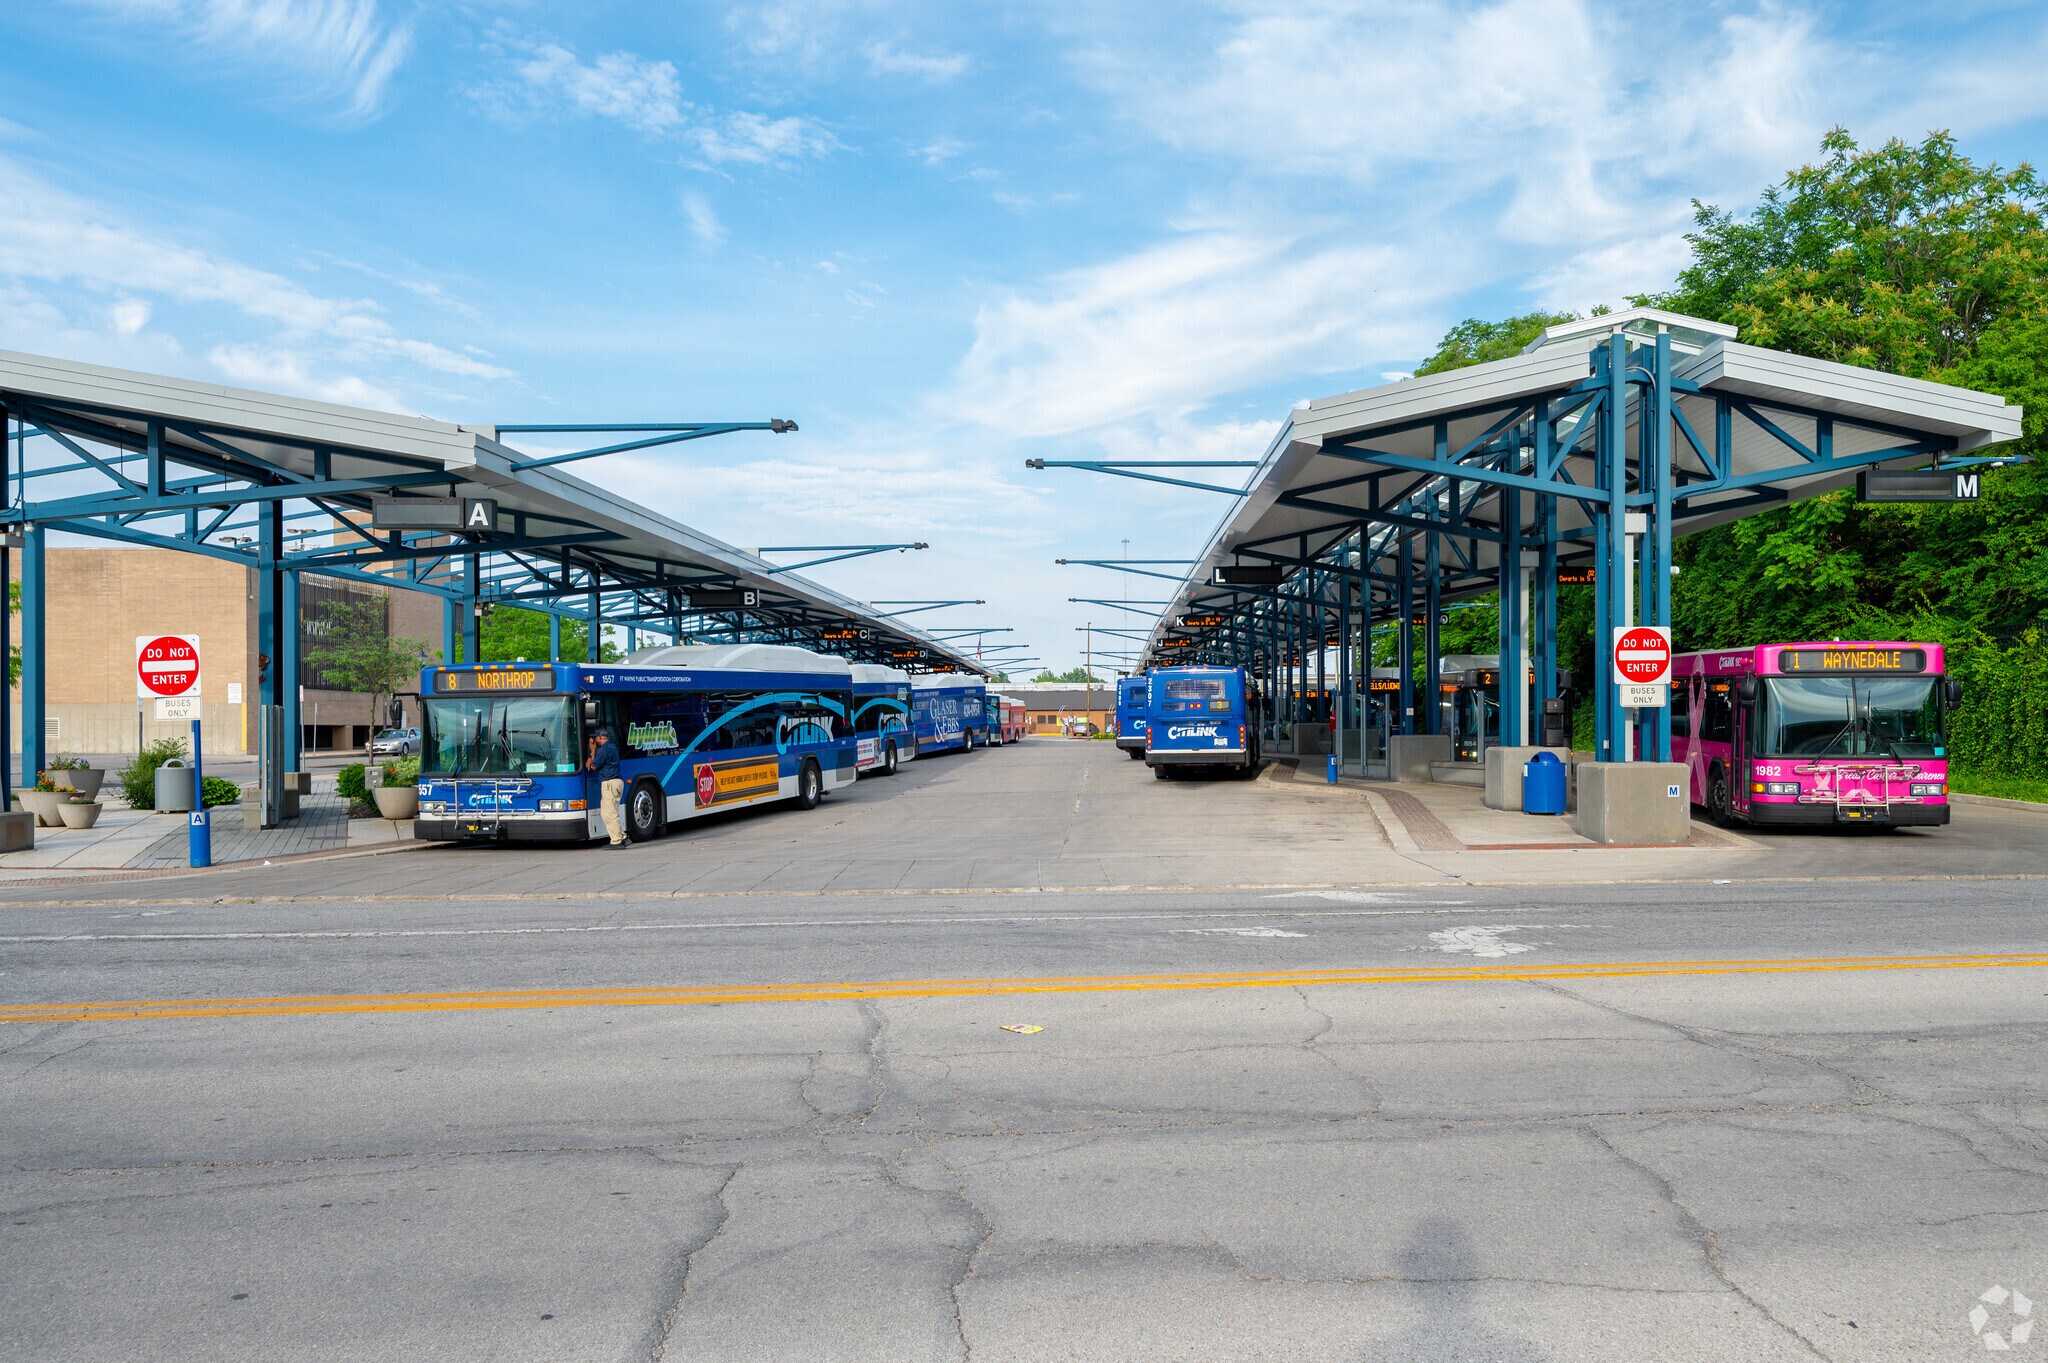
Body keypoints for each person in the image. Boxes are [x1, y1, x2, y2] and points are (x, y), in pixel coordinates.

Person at [585, 726, 627, 849]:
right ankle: (622, 837)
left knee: (609, 813)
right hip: (617, 782)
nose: (595, 741)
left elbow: (594, 766)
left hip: (609, 783)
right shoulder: (612, 746)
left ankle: (617, 842)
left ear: (601, 737)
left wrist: (592, 751)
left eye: (596, 738)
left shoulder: (604, 749)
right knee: (609, 812)